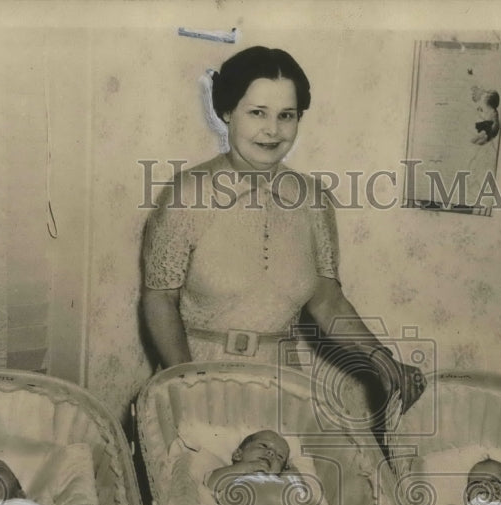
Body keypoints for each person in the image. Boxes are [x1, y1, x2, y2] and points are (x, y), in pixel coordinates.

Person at [141, 45, 425, 413]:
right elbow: (159, 298)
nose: (272, 130)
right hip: (198, 376)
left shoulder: (313, 200)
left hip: (282, 385)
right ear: (227, 112)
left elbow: (326, 299)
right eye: (257, 112)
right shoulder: (186, 194)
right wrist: (188, 385)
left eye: (286, 115)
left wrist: (383, 360)